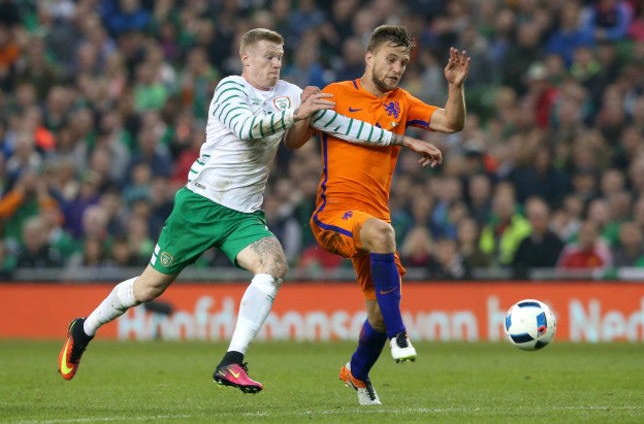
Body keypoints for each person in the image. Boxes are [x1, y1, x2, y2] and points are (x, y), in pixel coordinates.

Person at [58, 28, 407, 393]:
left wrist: (403, 139)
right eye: (268, 56)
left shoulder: (289, 94)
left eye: (280, 57)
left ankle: (232, 361)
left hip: (243, 217)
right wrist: (293, 116)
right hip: (200, 206)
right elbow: (246, 129)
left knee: (273, 266)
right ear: (246, 59)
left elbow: (342, 125)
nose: (276, 64)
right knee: (147, 289)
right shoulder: (230, 89)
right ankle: (83, 330)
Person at [285, 25, 469, 405]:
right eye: (391, 59)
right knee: (385, 238)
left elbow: (451, 124)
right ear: (369, 57)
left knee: (379, 315)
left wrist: (455, 86)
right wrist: (304, 111)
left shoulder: (401, 102)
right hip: (333, 214)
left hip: (373, 220)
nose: (397, 68)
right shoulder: (336, 94)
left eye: (403, 62)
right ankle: (402, 335)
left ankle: (356, 372)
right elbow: (294, 141)